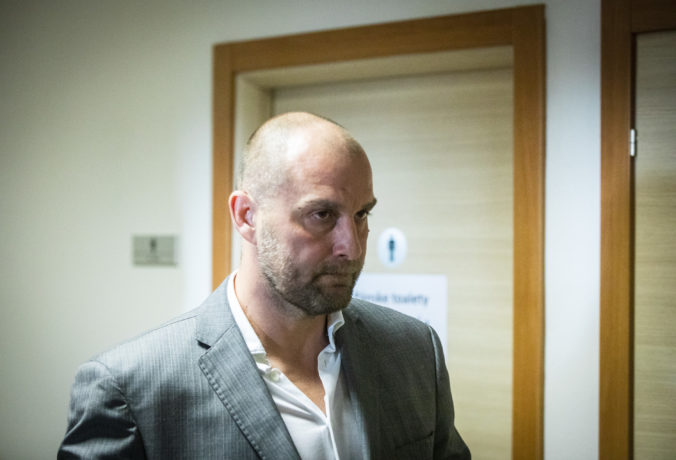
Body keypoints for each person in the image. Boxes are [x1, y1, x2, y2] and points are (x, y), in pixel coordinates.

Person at [58, 112, 470, 459]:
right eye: (322, 214)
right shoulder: (130, 391)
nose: (353, 246)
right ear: (246, 216)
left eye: (361, 214)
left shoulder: (415, 351)